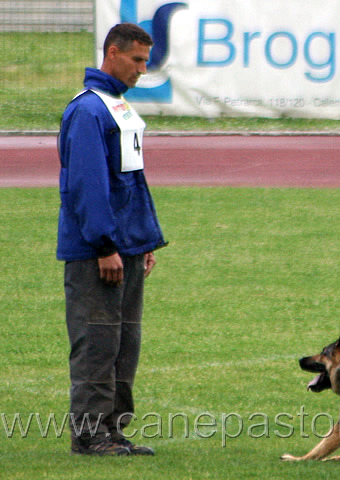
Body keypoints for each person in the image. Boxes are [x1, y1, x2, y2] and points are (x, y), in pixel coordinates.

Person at [57, 23, 167, 456]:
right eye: (137, 60)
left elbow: (130, 182)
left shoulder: (117, 106)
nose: (142, 70)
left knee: (124, 344)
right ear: (113, 52)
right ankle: (89, 436)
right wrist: (105, 245)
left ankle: (112, 431)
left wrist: (141, 244)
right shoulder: (88, 111)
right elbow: (87, 186)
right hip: (98, 252)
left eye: (146, 61)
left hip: (127, 250)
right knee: (98, 343)